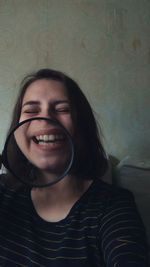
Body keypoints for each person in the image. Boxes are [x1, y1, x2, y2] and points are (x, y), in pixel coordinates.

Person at [0, 68, 149, 266]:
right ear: (17, 131)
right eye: (31, 110)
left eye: (62, 109)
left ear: (82, 126)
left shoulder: (113, 205)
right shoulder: (3, 194)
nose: (46, 118)